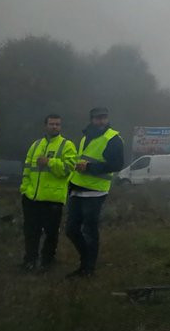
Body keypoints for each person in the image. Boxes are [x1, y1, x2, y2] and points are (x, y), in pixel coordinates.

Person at [66, 106, 124, 278]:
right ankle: (86, 259)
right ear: (91, 119)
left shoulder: (113, 138)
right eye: (98, 118)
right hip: (77, 188)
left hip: (96, 191)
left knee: (90, 230)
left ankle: (88, 268)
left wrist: (90, 167)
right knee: (71, 230)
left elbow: (117, 165)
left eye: (104, 117)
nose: (101, 121)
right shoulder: (86, 136)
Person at [19, 113, 77, 272]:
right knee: (31, 232)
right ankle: (29, 260)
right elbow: (27, 169)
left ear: (61, 126)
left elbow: (67, 169)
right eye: (52, 124)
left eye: (57, 124)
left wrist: (50, 162)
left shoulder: (67, 145)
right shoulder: (35, 145)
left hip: (52, 199)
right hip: (32, 197)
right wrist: (24, 190)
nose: (54, 127)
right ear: (46, 125)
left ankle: (47, 262)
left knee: (51, 234)